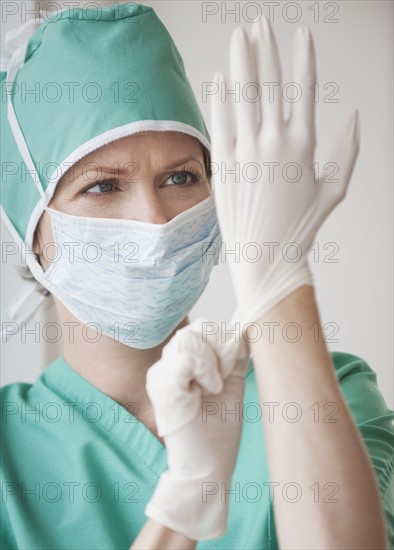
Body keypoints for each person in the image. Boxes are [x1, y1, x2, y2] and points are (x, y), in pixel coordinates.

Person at [1, 3, 393, 549]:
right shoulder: (7, 458)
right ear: (30, 229)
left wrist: (279, 277)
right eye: (103, 186)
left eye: (180, 177)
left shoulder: (332, 396)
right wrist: (188, 502)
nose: (155, 220)